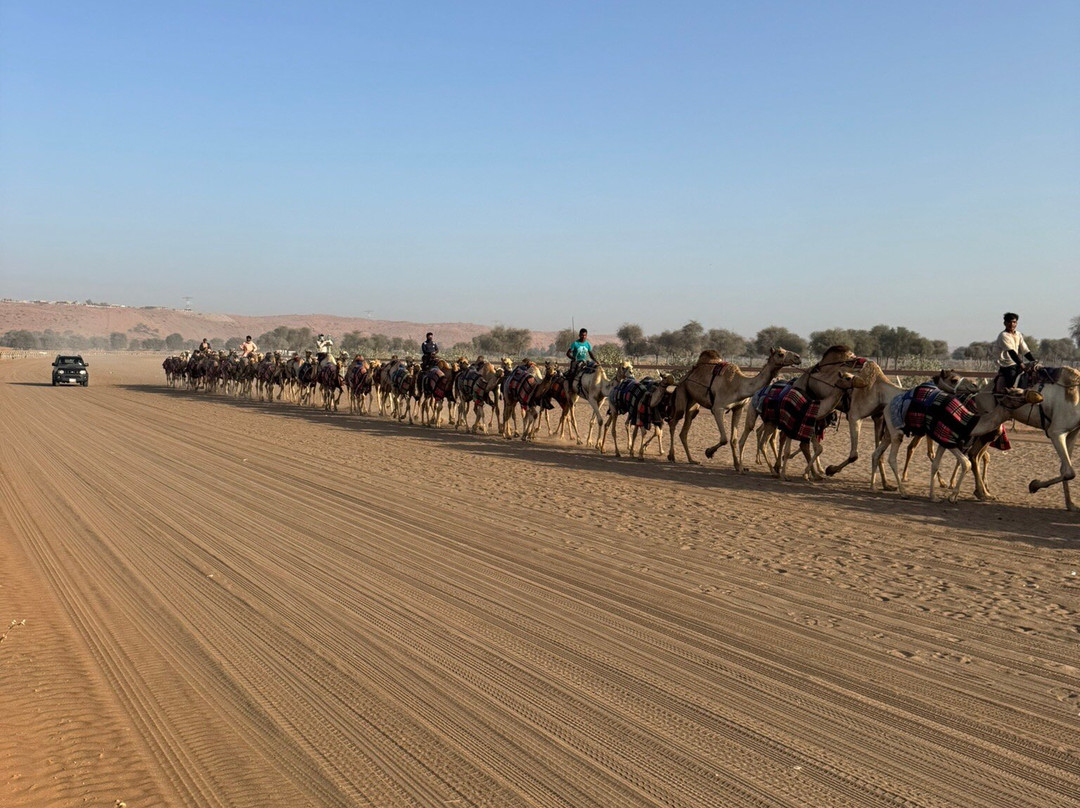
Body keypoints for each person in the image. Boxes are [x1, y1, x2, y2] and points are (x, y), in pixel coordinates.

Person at [994, 312, 1036, 389]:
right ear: (1005, 323)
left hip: (1017, 363)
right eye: (1009, 322)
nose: (1012, 324)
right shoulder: (1003, 335)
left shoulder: (1018, 334)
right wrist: (1021, 364)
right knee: (1013, 385)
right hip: (1007, 365)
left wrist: (1034, 361)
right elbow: (1011, 352)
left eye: (1014, 322)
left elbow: (1025, 350)